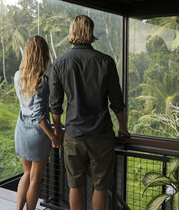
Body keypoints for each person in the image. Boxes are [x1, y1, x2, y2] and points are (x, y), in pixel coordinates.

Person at [49, 15, 130, 210]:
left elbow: (55, 104)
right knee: (100, 187)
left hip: (74, 135)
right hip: (101, 135)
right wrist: (123, 127)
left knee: (75, 186)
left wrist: (58, 129)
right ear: (91, 32)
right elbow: (116, 101)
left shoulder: (60, 63)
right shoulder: (106, 61)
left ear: (72, 31)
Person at [14, 35, 62, 210]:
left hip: (21, 130)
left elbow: (26, 106)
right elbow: (39, 116)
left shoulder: (18, 75)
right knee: (36, 177)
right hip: (37, 134)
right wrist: (53, 137)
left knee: (26, 173)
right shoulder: (41, 80)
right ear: (43, 54)